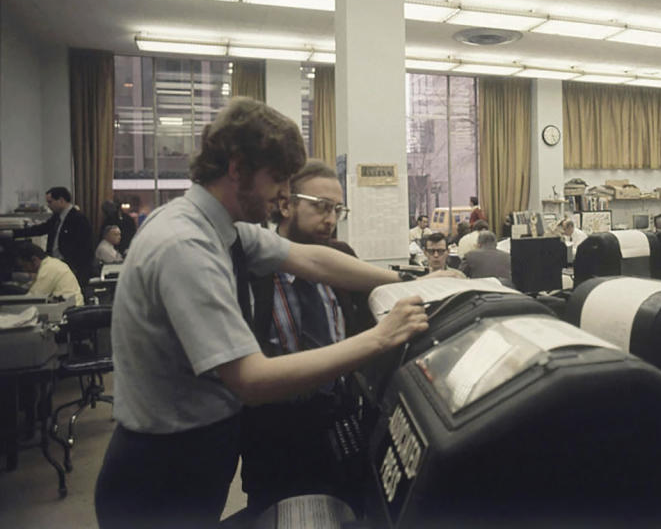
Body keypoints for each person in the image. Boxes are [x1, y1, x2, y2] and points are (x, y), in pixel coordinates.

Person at [94, 99, 429, 529]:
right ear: (237, 169)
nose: (284, 195)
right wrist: (380, 338)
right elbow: (251, 380)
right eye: (277, 179)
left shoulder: (225, 230)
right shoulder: (185, 245)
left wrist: (409, 282)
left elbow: (314, 260)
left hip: (199, 453)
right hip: (161, 468)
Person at [238, 158, 370, 517]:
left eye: (337, 210)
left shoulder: (342, 259)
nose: (330, 219)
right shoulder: (252, 270)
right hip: (276, 433)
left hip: (338, 421)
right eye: (321, 207)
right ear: (286, 205)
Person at [8, 186, 93, 285]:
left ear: (61, 200)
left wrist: (79, 270)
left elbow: (85, 248)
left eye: (50, 202)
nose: (48, 206)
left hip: (72, 267)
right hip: (56, 264)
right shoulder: (57, 217)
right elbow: (40, 229)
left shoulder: (78, 219)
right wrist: (13, 233)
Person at [15, 241, 83, 306]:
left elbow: (32, 298)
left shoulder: (48, 269)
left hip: (69, 310)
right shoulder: (51, 263)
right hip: (70, 306)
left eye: (25, 266)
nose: (25, 270)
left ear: (34, 260)